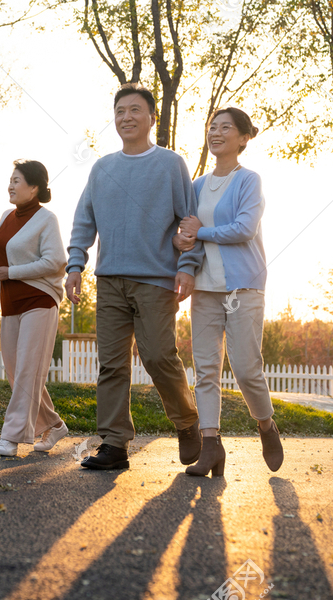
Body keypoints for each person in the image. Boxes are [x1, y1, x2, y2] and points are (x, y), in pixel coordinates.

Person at [65, 83, 205, 471]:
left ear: (151, 118)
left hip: (156, 279)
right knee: (111, 364)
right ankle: (114, 444)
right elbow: (84, 219)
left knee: (159, 356)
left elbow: (188, 222)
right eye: (120, 111)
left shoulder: (171, 164)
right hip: (109, 280)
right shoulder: (102, 167)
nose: (126, 117)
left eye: (135, 110)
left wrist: (188, 268)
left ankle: (187, 421)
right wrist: (75, 264)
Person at [174, 107, 283, 476]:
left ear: (242, 138)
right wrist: (182, 241)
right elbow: (185, 235)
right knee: (205, 370)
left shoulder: (248, 180)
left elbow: (244, 229)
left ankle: (266, 425)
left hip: (244, 285)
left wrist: (199, 230)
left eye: (225, 128)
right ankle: (211, 446)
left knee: (246, 368)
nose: (216, 133)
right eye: (212, 127)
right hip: (205, 289)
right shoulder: (198, 185)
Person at [0, 160, 68, 456]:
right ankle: (55, 425)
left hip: (40, 301)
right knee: (16, 372)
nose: (10, 185)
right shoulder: (7, 216)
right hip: (10, 303)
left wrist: (12, 273)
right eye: (10, 180)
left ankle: (11, 437)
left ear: (34, 187)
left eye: (17, 180)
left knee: (27, 371)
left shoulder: (47, 219)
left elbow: (56, 260)